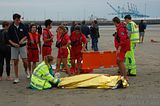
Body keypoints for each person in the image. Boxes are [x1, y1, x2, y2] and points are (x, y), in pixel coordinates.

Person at [8, 13, 29, 84]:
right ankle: (16, 77)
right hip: (14, 47)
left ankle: (26, 70)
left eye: (19, 19)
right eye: (17, 20)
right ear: (14, 20)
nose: (18, 21)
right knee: (15, 62)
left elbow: (26, 35)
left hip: (22, 46)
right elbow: (8, 39)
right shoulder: (10, 27)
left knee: (25, 61)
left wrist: (22, 40)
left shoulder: (23, 26)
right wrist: (14, 44)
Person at [112, 17, 130, 81]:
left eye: (113, 23)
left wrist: (119, 48)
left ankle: (125, 77)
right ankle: (122, 75)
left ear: (115, 22)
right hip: (122, 46)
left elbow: (123, 39)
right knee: (118, 61)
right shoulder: (120, 28)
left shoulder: (121, 28)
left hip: (123, 47)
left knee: (120, 61)